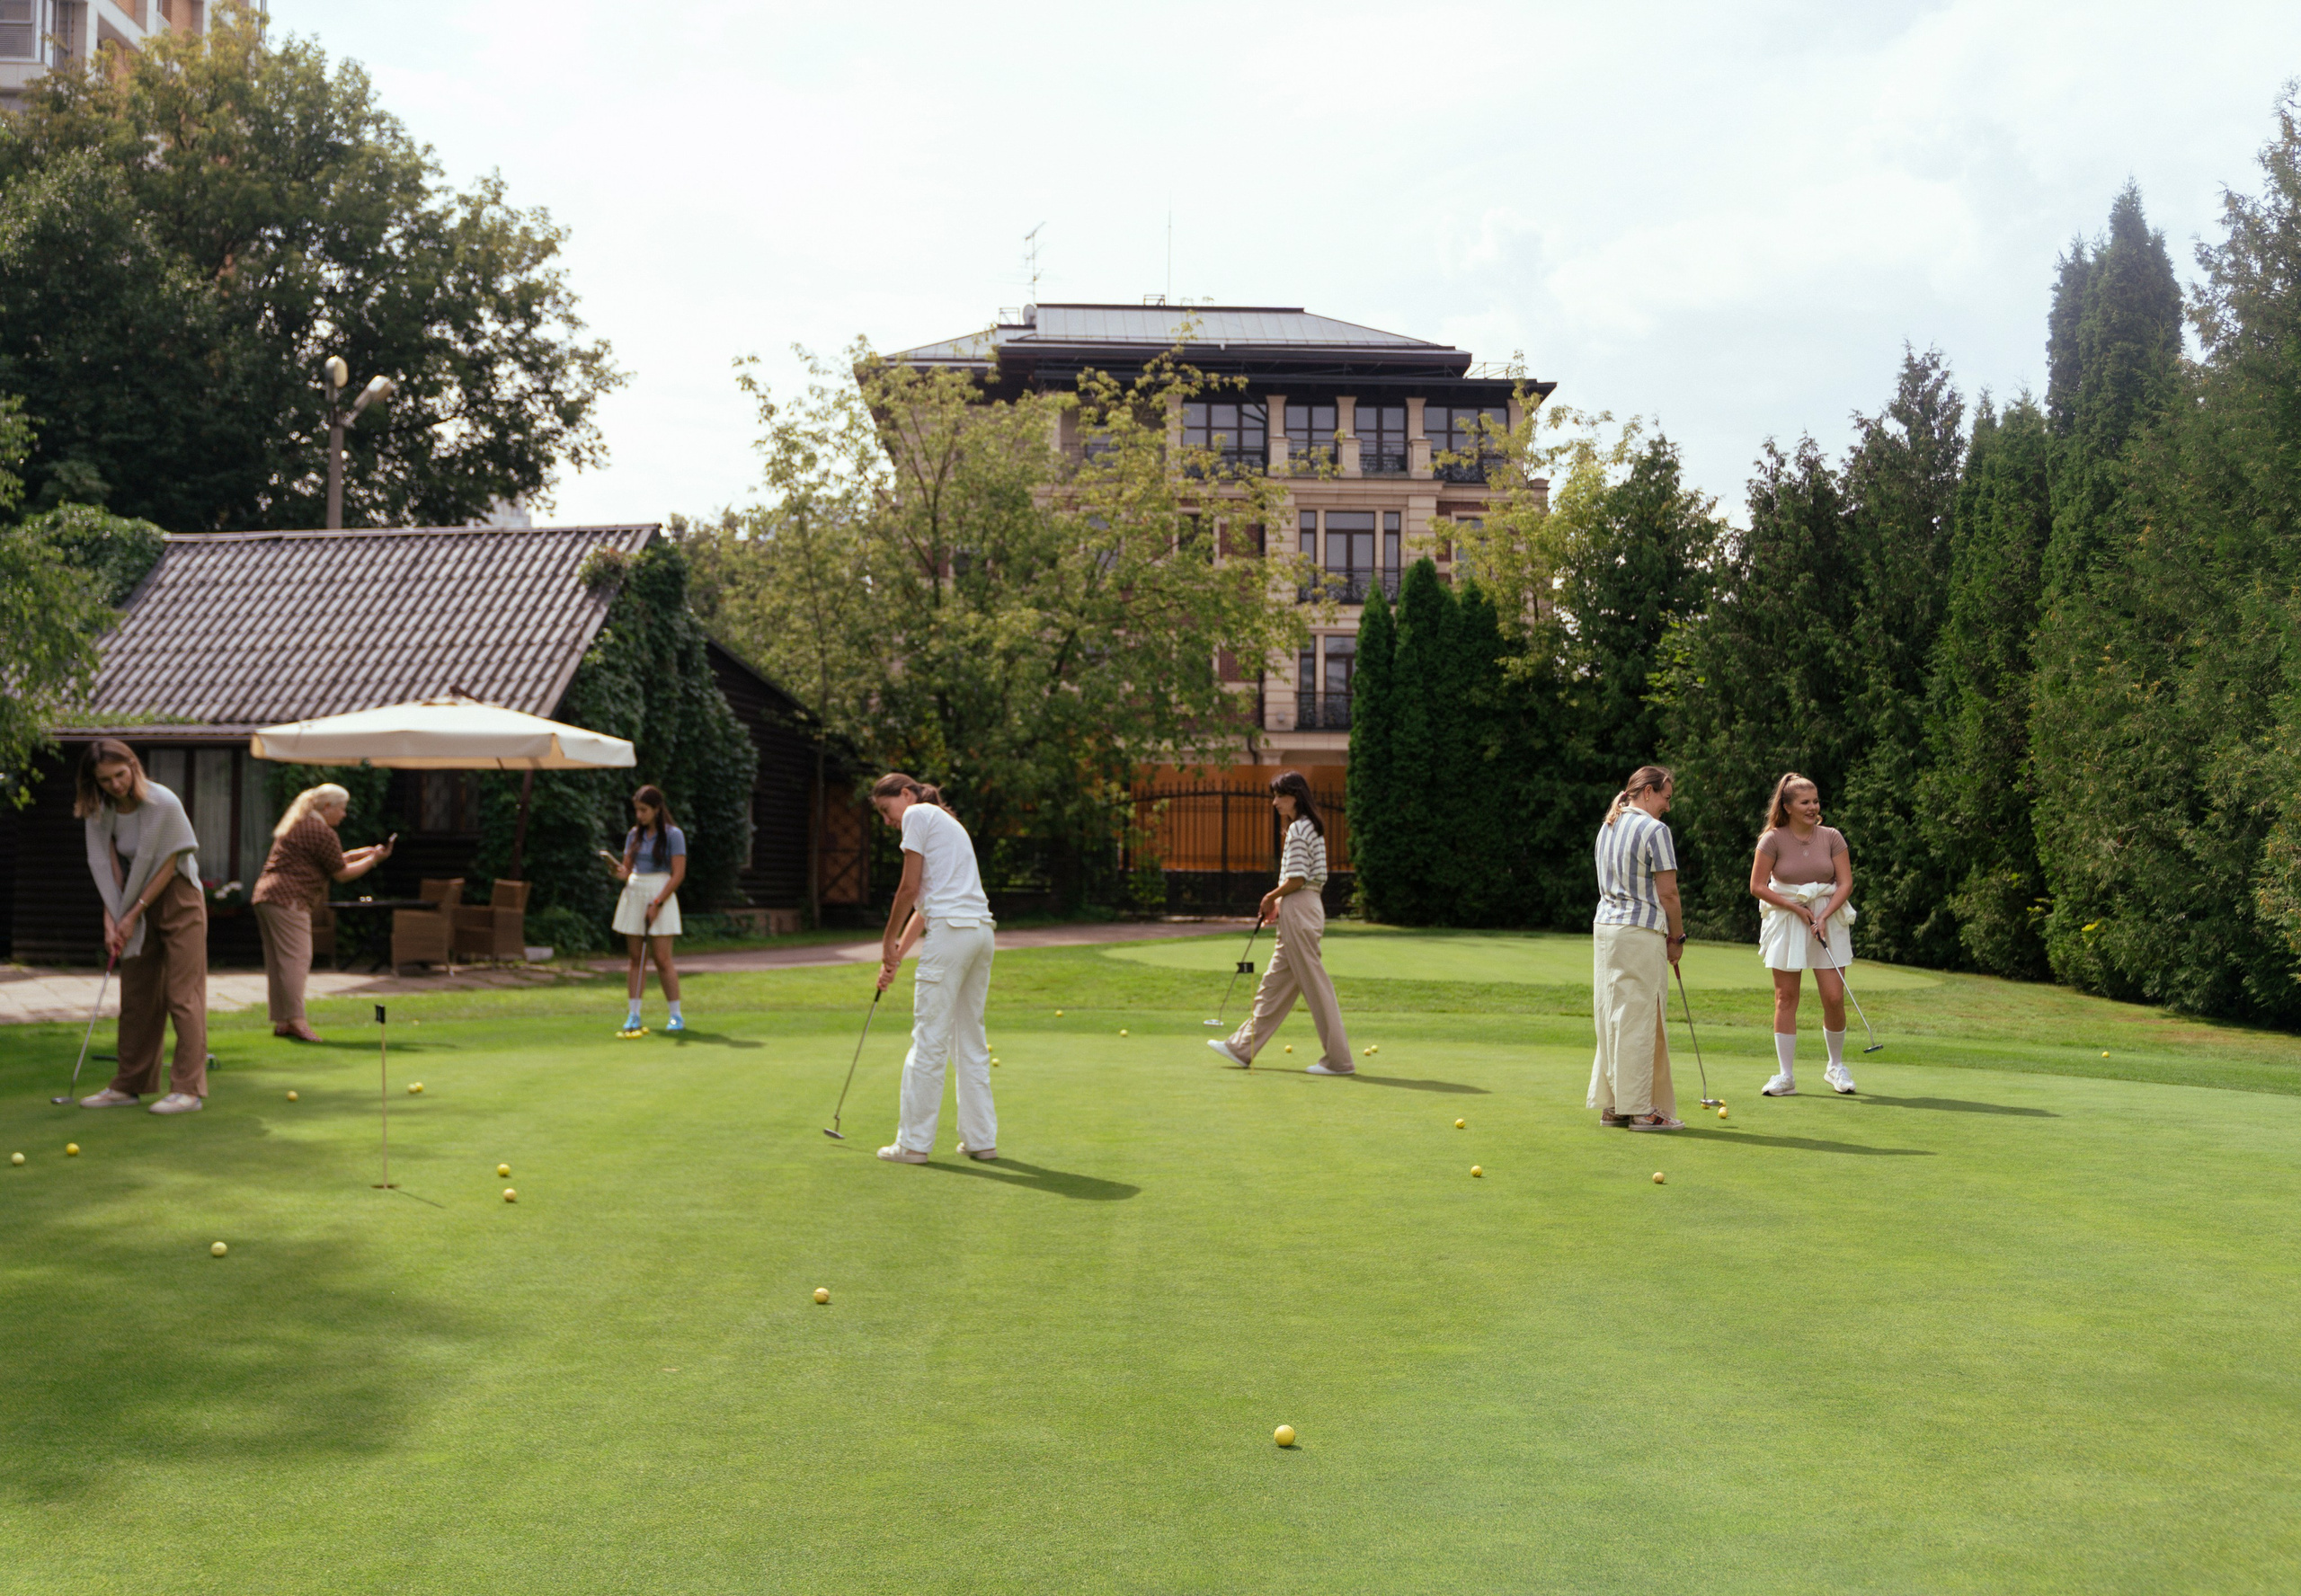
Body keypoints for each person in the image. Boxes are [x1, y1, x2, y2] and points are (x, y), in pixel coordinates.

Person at [74, 740, 209, 1115]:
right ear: (94, 782)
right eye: (105, 780)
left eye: (120, 774)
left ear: (133, 766)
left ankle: (188, 1090)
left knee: (183, 995)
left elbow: (171, 861)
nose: (116, 784)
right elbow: (107, 868)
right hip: (132, 897)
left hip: (178, 895)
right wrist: (112, 916)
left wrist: (132, 914)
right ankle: (129, 1084)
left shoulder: (163, 802)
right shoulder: (100, 812)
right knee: (136, 997)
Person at [870, 773, 997, 1165]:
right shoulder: (947, 823)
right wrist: (895, 954)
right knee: (969, 1039)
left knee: (929, 1039)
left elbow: (907, 891)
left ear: (905, 794)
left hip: (954, 934)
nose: (889, 821)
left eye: (887, 810)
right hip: (980, 934)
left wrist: (886, 938)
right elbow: (925, 908)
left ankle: (913, 1145)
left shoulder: (918, 815)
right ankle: (981, 1141)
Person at [1208, 770, 1354, 1075]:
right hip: (1298, 907)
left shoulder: (1300, 829)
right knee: (1273, 985)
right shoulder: (1306, 827)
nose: (1274, 802)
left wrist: (1269, 897)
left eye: (1279, 796)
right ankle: (1241, 1048)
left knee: (1316, 987)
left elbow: (1299, 878)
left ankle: (1339, 1061)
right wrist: (1278, 902)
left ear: (1295, 796)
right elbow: (1299, 879)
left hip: (1301, 909)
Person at [250, 783, 395, 1042]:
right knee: (297, 960)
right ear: (327, 807)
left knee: (278, 962)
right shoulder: (321, 831)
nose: (344, 814)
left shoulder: (300, 823)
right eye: (342, 808)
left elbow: (333, 859)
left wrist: (363, 854)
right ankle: (296, 1021)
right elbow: (341, 873)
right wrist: (372, 860)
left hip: (267, 897)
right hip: (289, 900)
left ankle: (283, 1021)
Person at [1588, 764, 1684, 1130]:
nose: (1668, 806)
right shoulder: (1656, 830)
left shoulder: (1608, 823)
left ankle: (1614, 1105)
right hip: (1638, 931)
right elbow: (1669, 893)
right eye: (1666, 797)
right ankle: (1643, 1110)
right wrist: (1677, 938)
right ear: (1648, 792)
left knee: (1612, 1014)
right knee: (1641, 1017)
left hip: (1605, 930)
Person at [1749, 772, 1858, 1096]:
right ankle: (1785, 1075)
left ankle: (1835, 1067)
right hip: (1786, 916)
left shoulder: (1832, 837)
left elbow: (1846, 883)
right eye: (1804, 802)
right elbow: (1757, 886)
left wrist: (1823, 915)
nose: (1813, 807)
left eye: (1815, 801)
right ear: (1787, 806)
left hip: (1829, 915)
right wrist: (1798, 909)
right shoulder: (1772, 839)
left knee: (1834, 996)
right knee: (1786, 998)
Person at [608, 785, 687, 1036]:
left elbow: (678, 874)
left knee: (662, 959)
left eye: (644, 810)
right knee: (635, 959)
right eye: (637, 810)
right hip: (635, 892)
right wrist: (619, 872)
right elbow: (628, 870)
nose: (639, 815)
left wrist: (657, 903)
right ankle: (633, 1014)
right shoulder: (634, 835)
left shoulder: (674, 835)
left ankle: (676, 1016)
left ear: (657, 809)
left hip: (660, 892)